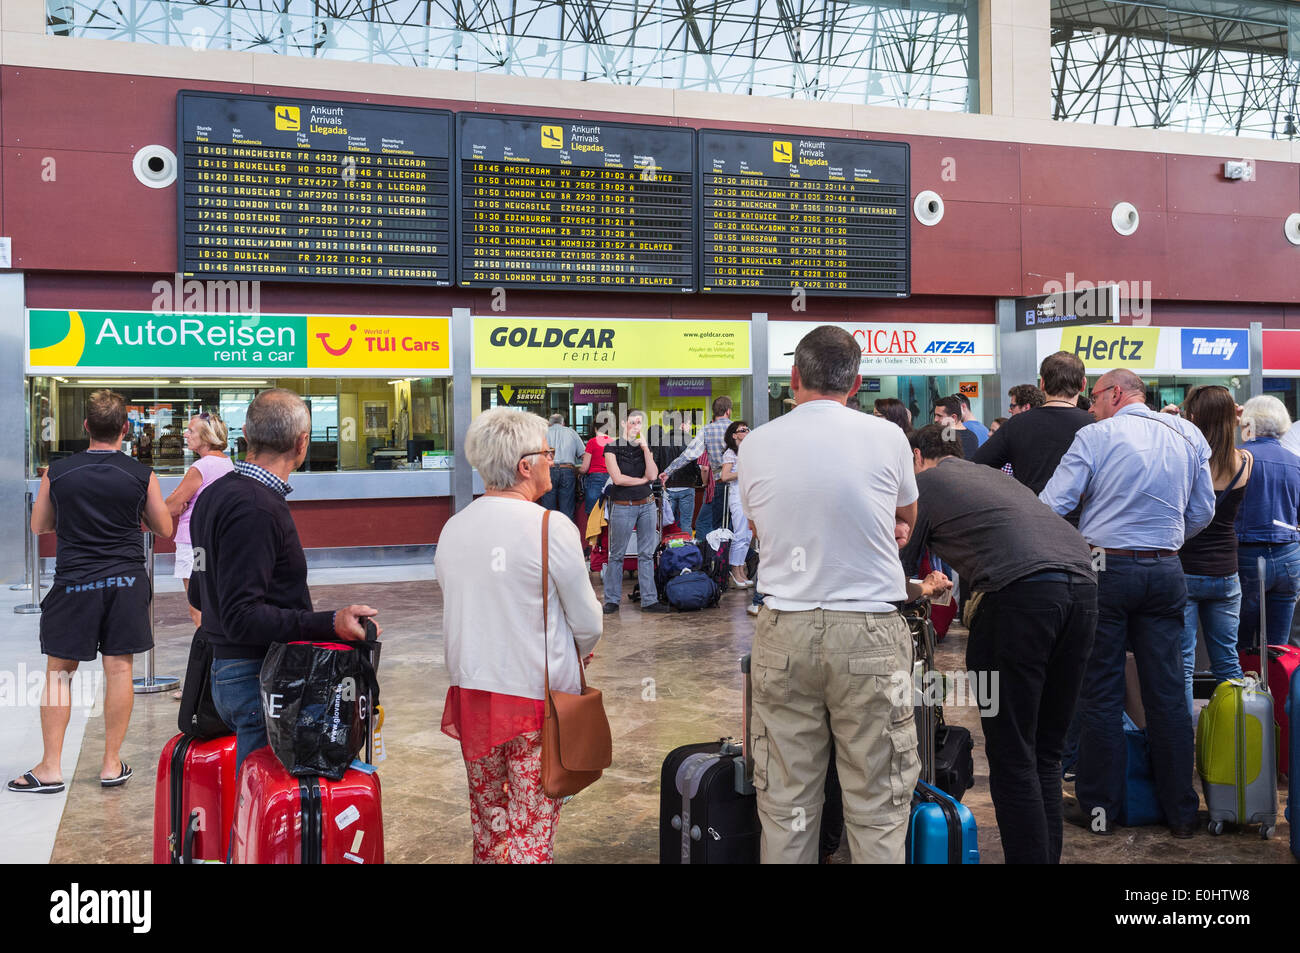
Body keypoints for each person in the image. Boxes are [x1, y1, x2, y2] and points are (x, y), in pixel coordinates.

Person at [739, 325, 920, 864]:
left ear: (794, 378)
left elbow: (758, 526)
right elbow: (906, 514)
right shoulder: (887, 436)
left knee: (786, 802)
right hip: (869, 631)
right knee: (878, 803)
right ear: (856, 383)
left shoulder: (755, 443)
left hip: (783, 631)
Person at [902, 424, 1097, 863]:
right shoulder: (993, 478)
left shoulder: (923, 485)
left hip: (1017, 601)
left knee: (1012, 755)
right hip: (1083, 592)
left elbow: (893, 570)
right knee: (1045, 753)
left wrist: (920, 586)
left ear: (916, 456)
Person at [1040, 369, 1214, 838]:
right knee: (1168, 692)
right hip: (1166, 570)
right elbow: (1202, 511)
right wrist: (1163, 542)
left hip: (1105, 569)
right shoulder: (1188, 434)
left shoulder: (1097, 436)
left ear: (1116, 393)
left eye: (1093, 398)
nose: (1089, 407)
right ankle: (1180, 812)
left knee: (1101, 691)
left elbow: (1052, 505)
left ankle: (1102, 811)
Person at [435, 409, 603, 864]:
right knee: (531, 829)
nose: (553, 460)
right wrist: (577, 654)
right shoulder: (550, 527)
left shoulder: (454, 527)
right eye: (548, 453)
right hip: (535, 698)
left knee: (490, 822)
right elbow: (588, 623)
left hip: (473, 692)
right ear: (525, 466)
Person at [187, 389, 380, 773]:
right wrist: (329, 622)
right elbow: (243, 615)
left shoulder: (214, 495)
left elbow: (199, 588)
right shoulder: (256, 508)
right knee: (267, 815)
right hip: (256, 678)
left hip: (226, 671)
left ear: (245, 433)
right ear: (302, 443)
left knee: (256, 802)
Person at [9, 389, 172, 794]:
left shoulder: (57, 472)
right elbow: (164, 527)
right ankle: (111, 764)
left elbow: (39, 526)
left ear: (85, 427)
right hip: (125, 582)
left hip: (74, 582)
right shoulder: (141, 474)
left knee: (60, 674)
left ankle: (50, 768)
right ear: (125, 427)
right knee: (119, 669)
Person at [1178, 386, 1251, 710]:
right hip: (1226, 573)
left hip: (1186, 571)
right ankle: (1236, 735)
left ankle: (1180, 744)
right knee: (1227, 661)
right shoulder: (1244, 460)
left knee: (1182, 663)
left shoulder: (1187, 460)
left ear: (1195, 418)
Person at [973, 351, 1094, 496]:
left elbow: (975, 468)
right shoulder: (1096, 426)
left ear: (1042, 383)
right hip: (1081, 517)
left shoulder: (1016, 424)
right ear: (1083, 384)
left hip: (1029, 513)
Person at [1235, 395, 1300, 648]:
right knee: (1278, 647)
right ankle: (1276, 688)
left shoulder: (1238, 459)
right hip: (1289, 558)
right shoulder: (1296, 463)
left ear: (1248, 424)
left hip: (1247, 556)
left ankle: (1242, 688)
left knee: (1239, 644)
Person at [164, 413, 234, 629]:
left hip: (194, 544)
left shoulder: (200, 468)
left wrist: (179, 502)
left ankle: (208, 652)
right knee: (214, 596)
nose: (185, 434)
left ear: (206, 436)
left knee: (198, 602)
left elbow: (170, 506)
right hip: (216, 541)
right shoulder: (228, 463)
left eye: (191, 430)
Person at [602, 411, 671, 615]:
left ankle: (649, 600)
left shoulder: (644, 448)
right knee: (616, 555)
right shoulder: (611, 447)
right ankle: (612, 600)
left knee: (646, 554)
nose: (635, 425)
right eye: (632, 422)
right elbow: (617, 479)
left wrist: (644, 447)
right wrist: (642, 481)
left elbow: (652, 474)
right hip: (623, 504)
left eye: (639, 422)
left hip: (647, 504)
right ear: (623, 423)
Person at [660, 396, 733, 540]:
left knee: (715, 526)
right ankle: (739, 559)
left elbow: (689, 454)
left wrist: (668, 472)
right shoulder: (740, 429)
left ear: (714, 412)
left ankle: (716, 558)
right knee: (734, 525)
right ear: (729, 411)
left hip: (720, 484)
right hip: (740, 484)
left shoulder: (708, 430)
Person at [717, 420, 755, 589]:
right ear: (734, 435)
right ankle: (735, 569)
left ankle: (740, 567)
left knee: (747, 535)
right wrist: (743, 472)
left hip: (749, 495)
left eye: (747, 429)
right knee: (740, 533)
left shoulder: (748, 452)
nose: (747, 431)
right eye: (743, 430)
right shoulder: (731, 454)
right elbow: (724, 476)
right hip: (737, 495)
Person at [650, 418, 700, 535]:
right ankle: (686, 550)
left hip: (668, 488)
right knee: (686, 523)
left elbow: (655, 464)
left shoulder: (661, 441)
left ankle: (665, 550)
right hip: (687, 487)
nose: (689, 427)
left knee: (666, 523)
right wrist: (697, 480)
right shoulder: (691, 441)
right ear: (682, 425)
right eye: (688, 424)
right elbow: (697, 465)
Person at [538, 413, 584, 524]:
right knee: (567, 510)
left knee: (548, 510)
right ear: (563, 423)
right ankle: (567, 538)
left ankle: (548, 538)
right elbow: (583, 454)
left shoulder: (543, 433)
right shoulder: (572, 432)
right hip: (567, 471)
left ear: (549, 423)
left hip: (548, 471)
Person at [578, 424, 612, 526]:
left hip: (595, 479)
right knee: (607, 513)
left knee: (593, 513)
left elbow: (584, 468)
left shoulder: (592, 442)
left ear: (595, 428)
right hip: (611, 479)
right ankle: (605, 540)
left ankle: (595, 540)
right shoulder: (613, 442)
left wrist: (577, 471)